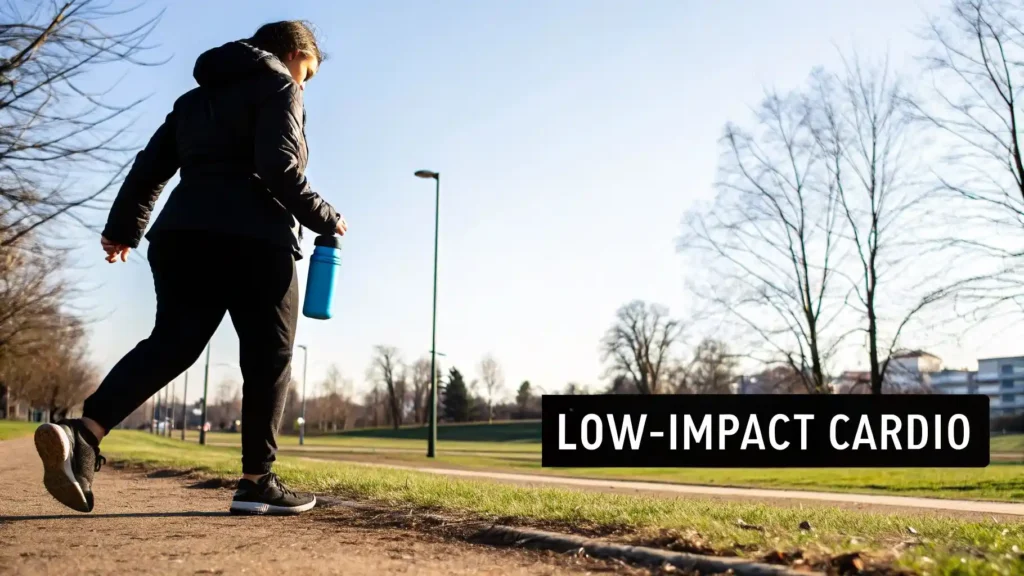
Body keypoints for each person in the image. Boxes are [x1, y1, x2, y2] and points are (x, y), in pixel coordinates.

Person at [32, 20, 347, 516]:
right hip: (255, 239)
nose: (302, 85)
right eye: (304, 74)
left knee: (173, 343)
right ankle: (255, 482)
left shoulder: (192, 101)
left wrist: (123, 229)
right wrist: (326, 217)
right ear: (291, 55)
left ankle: (83, 435)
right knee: (269, 358)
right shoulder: (279, 86)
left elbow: (149, 167)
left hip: (182, 237)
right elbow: (277, 166)